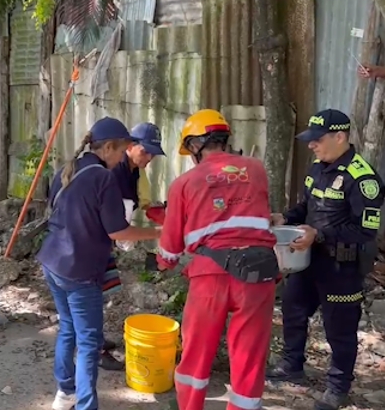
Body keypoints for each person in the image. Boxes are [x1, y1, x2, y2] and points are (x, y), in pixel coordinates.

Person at [156, 109, 279, 410]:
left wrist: (164, 263)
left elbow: (171, 246)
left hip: (210, 276)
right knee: (249, 361)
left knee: (196, 356)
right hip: (258, 275)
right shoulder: (257, 169)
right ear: (224, 138)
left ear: (195, 145)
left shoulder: (185, 183)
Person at [37, 117, 161, 410]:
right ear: (108, 148)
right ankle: (85, 405)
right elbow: (118, 232)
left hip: (52, 262)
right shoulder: (103, 177)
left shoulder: (68, 169)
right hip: (79, 270)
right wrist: (159, 233)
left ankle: (65, 392)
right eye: (121, 151)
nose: (121, 158)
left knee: (68, 328)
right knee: (90, 344)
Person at [267, 109, 384, 410]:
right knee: (293, 310)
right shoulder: (319, 168)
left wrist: (318, 233)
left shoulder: (363, 178)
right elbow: (307, 207)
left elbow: (365, 230)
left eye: (317, 140)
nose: (311, 146)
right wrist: (284, 217)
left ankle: (337, 386)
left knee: (339, 328)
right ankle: (292, 365)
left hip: (341, 266)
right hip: (309, 259)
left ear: (340, 137)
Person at [98, 122, 166, 372]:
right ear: (129, 147)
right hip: (98, 240)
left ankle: (94, 340)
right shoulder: (115, 172)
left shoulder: (133, 170)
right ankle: (95, 350)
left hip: (106, 239)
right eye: (145, 152)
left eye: (152, 154)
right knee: (94, 294)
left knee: (101, 292)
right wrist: (157, 231)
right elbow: (118, 226)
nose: (148, 158)